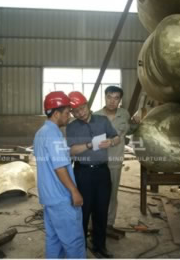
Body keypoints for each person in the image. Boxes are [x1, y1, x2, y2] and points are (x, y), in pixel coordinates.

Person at [65, 91, 119, 258]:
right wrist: (89, 145)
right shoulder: (72, 127)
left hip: (102, 171)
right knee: (83, 211)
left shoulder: (102, 121)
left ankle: (99, 246)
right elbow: (72, 151)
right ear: (72, 113)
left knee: (101, 210)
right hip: (83, 172)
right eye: (76, 111)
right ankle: (79, 249)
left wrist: (111, 141)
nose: (81, 113)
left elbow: (116, 137)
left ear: (87, 104)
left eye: (82, 108)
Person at [33, 91, 86, 258]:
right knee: (74, 241)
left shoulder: (40, 133)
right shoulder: (53, 134)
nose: (69, 116)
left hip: (49, 197)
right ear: (56, 113)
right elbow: (60, 168)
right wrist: (74, 191)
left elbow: (49, 161)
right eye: (67, 112)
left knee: (54, 239)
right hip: (61, 198)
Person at [93, 86, 138, 232]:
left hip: (115, 161)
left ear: (120, 100)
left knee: (112, 194)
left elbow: (128, 130)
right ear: (105, 97)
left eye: (116, 98)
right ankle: (94, 224)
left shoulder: (124, 114)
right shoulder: (96, 116)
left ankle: (109, 223)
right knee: (97, 193)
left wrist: (136, 124)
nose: (112, 101)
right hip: (98, 162)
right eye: (109, 97)